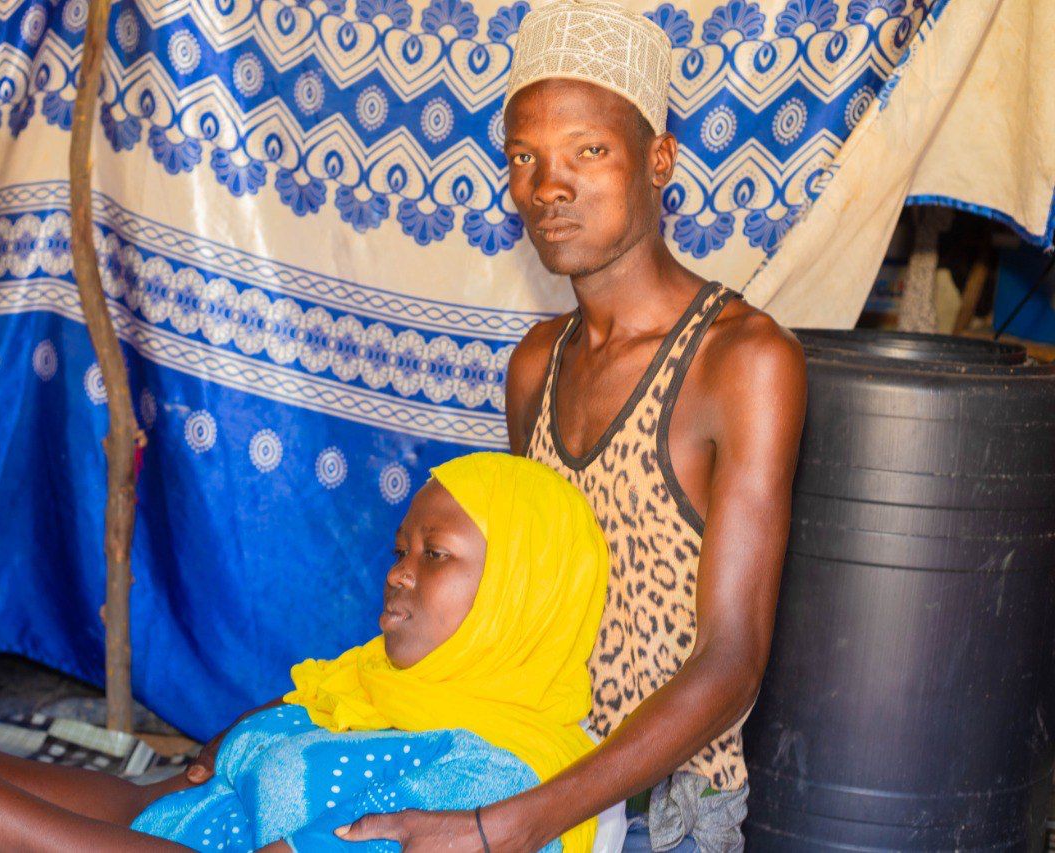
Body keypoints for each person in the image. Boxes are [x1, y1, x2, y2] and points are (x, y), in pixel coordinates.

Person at [334, 2, 808, 851]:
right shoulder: (537, 362)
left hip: (656, 808)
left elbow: (730, 661)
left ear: (658, 159)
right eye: (526, 157)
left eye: (589, 151)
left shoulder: (741, 361)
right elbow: (527, 594)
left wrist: (511, 822)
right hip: (521, 759)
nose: (550, 186)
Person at [0, 453, 610, 852]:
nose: (396, 574)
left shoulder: (489, 787)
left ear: (521, 594)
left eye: (435, 555)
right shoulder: (355, 690)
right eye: (399, 549)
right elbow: (137, 798)